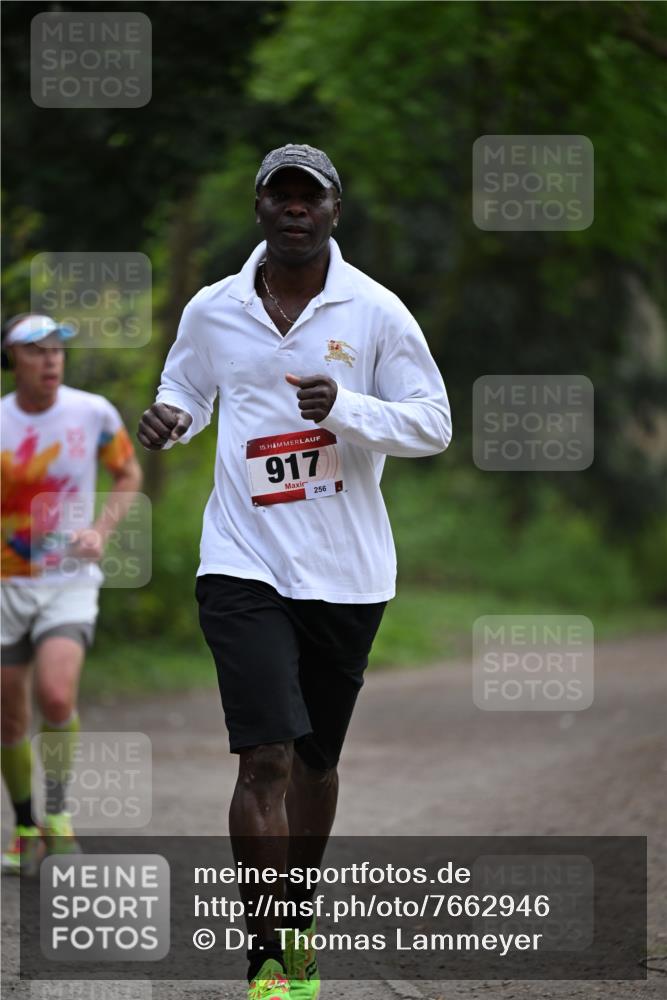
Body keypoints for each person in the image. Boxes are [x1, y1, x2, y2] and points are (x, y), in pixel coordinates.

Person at [137, 143, 452, 1000]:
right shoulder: (212, 309)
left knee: (314, 763)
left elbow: (433, 423)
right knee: (263, 759)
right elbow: (188, 390)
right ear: (259, 208)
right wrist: (172, 418)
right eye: (279, 195)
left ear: (334, 210)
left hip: (346, 571)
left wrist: (344, 406)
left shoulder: (376, 312)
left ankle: (298, 911)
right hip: (241, 559)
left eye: (308, 197)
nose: (294, 209)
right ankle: (267, 954)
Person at [1, 313, 142, 874]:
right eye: (36, 351)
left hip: (69, 581)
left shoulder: (93, 412)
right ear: (12, 358)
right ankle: (24, 825)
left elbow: (127, 473)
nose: (51, 359)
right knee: (8, 717)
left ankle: (57, 815)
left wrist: (101, 530)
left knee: (57, 698)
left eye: (57, 349)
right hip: (6, 584)